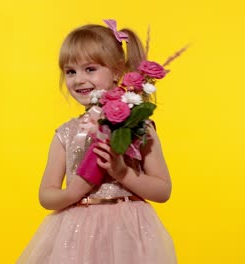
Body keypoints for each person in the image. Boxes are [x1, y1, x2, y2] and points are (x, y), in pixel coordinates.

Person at [17, 20, 177, 264]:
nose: (78, 79)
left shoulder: (138, 126)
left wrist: (122, 173)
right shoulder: (67, 133)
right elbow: (46, 196)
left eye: (89, 69)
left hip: (128, 233)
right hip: (75, 234)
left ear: (116, 71)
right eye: (70, 71)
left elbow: (162, 190)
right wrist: (74, 192)